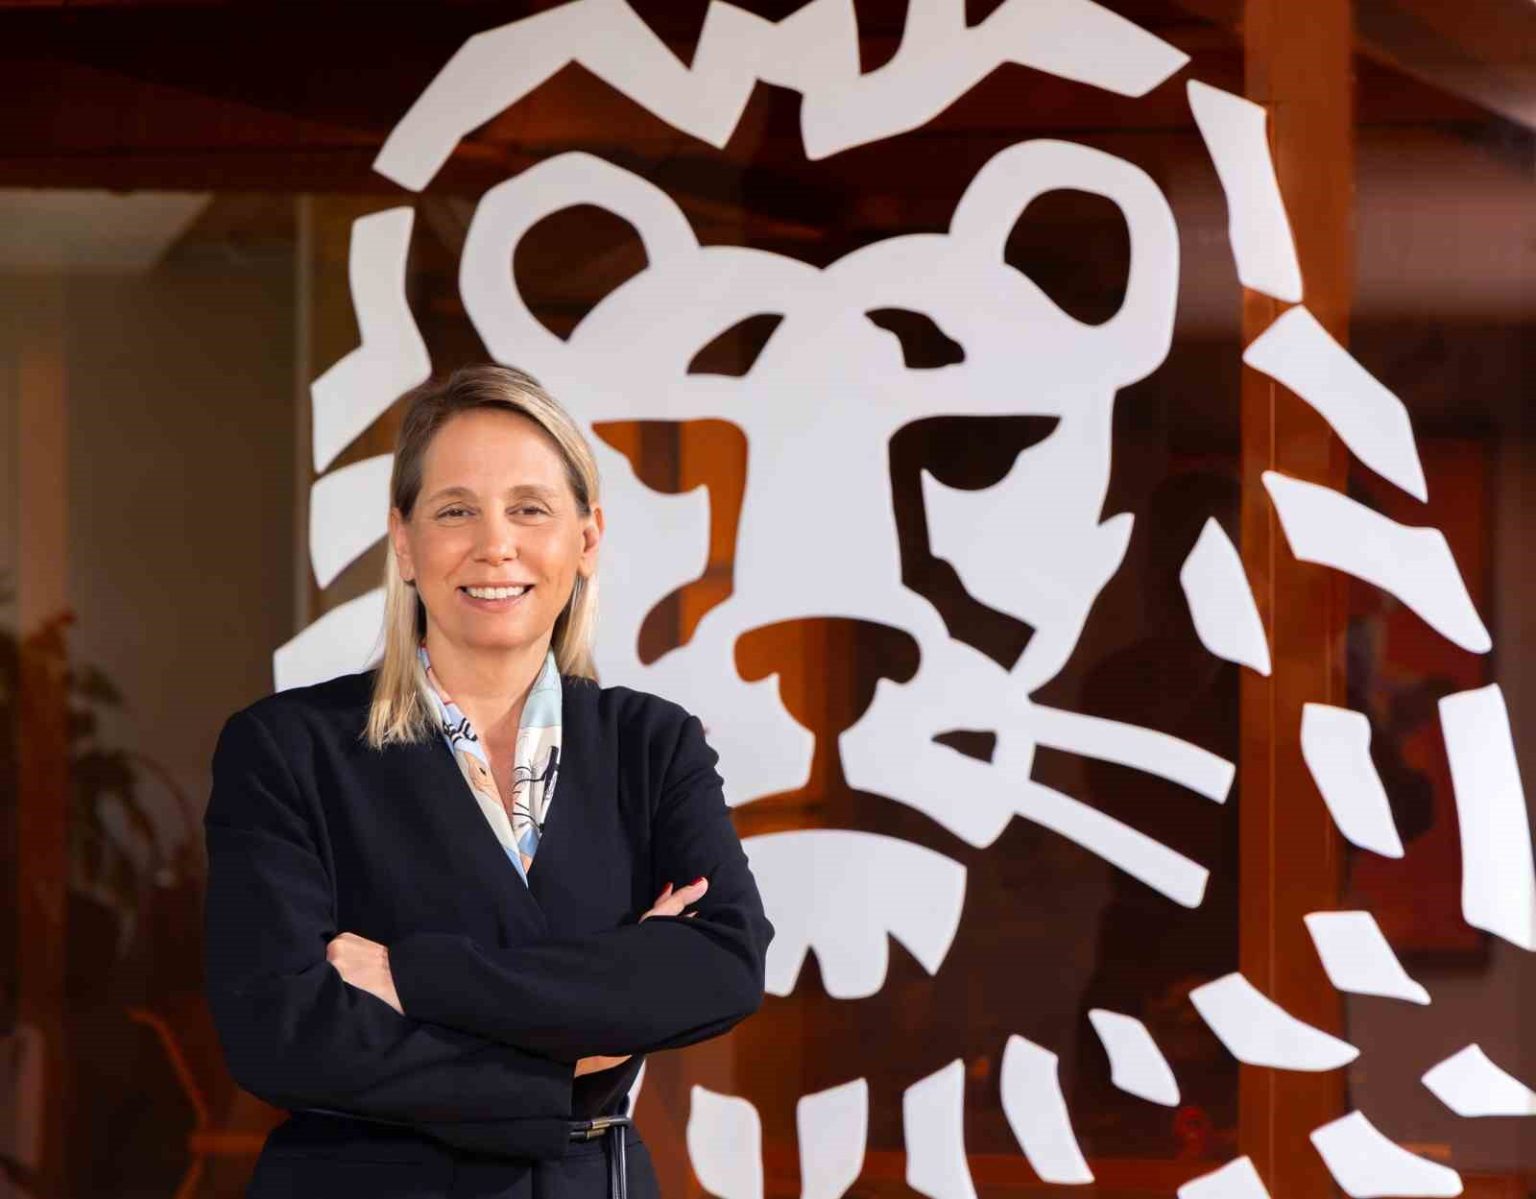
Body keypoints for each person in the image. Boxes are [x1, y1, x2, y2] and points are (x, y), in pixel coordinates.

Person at [202, 363, 774, 1198]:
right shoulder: (287, 749)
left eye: (530, 508)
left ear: (586, 539)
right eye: (455, 510)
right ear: (404, 542)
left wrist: (416, 977)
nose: (494, 544)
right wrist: (572, 1054)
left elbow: (722, 964)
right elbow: (280, 1030)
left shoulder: (652, 745)